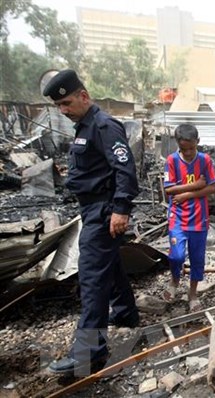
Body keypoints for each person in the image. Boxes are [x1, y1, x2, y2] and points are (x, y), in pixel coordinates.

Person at [43, 69, 140, 376]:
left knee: (92, 280)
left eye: (67, 103)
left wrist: (121, 208)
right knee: (107, 266)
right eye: (59, 106)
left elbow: (126, 169)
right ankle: (125, 314)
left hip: (103, 212)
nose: (63, 110)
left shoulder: (104, 125)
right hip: (93, 211)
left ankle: (89, 352)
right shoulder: (85, 126)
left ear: (83, 96)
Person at [163, 123, 215, 312]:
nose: (187, 153)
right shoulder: (171, 160)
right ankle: (174, 280)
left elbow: (212, 187)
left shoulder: (205, 161)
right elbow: (168, 189)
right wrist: (196, 184)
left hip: (199, 218)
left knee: (197, 258)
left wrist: (187, 194)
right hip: (177, 217)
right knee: (177, 255)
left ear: (198, 143)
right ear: (177, 145)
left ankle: (192, 293)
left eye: (191, 148)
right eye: (183, 149)